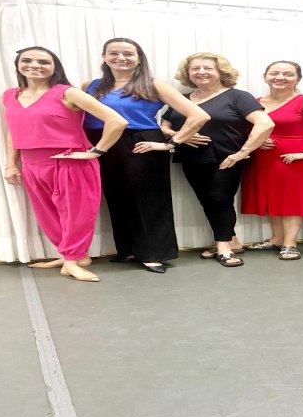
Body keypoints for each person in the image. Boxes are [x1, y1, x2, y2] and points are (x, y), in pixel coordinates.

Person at [83, 38, 210, 274]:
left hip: (139, 143)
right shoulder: (91, 86)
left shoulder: (153, 85)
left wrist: (170, 144)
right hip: (102, 143)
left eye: (128, 54)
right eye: (114, 53)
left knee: (147, 200)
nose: (121, 58)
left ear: (139, 59)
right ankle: (129, 250)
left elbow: (199, 116)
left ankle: (152, 253)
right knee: (116, 197)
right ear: (104, 57)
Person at [2, 46, 128, 282]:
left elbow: (117, 121)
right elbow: (13, 131)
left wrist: (95, 152)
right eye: (27, 60)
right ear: (18, 65)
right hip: (31, 164)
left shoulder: (67, 93)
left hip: (69, 162)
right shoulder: (10, 95)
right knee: (47, 215)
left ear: (55, 67)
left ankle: (72, 261)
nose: (34, 65)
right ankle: (74, 256)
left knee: (77, 215)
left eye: (43, 62)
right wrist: (11, 164)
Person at [160, 52, 274, 267]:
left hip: (227, 159)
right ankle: (233, 242)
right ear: (187, 73)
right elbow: (165, 125)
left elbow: (265, 124)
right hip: (191, 158)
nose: (201, 72)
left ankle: (224, 248)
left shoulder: (238, 96)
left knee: (220, 199)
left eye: (208, 68)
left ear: (221, 72)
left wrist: (241, 153)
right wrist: (178, 136)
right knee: (208, 201)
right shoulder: (183, 98)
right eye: (195, 68)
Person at [240, 61, 303, 260]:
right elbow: (246, 129)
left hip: (294, 159)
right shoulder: (256, 102)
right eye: (274, 73)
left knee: (292, 200)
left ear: (298, 78)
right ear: (265, 76)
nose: (280, 77)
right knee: (272, 198)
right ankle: (277, 239)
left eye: (288, 74)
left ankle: (290, 243)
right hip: (264, 159)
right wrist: (256, 141)